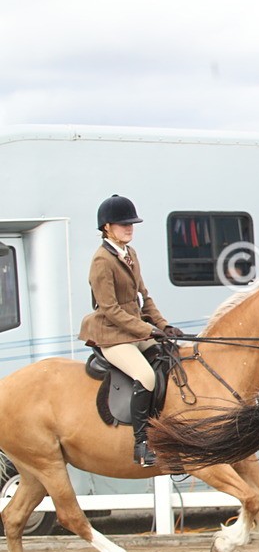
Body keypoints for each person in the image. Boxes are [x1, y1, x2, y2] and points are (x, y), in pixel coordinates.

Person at [78, 195, 183, 467]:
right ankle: (141, 444)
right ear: (107, 228)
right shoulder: (102, 260)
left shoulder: (130, 253)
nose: (130, 228)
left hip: (135, 333)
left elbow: (144, 297)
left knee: (172, 358)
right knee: (146, 375)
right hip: (112, 335)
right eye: (123, 224)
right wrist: (146, 329)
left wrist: (164, 326)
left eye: (132, 223)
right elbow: (110, 309)